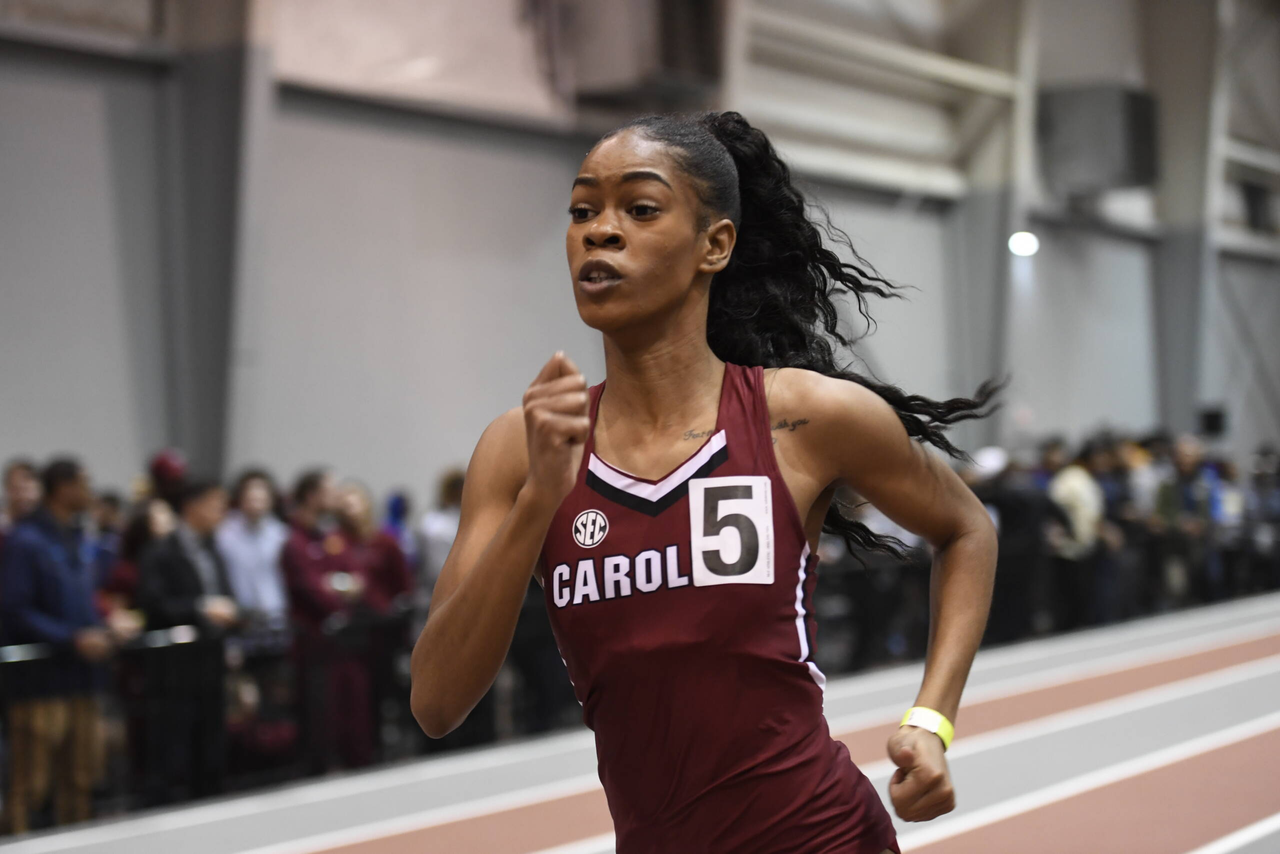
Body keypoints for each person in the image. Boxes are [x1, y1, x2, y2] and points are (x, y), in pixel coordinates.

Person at [410, 112, 998, 853]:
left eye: (640, 208)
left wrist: (932, 720)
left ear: (713, 245)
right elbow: (434, 702)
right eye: (583, 210)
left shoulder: (804, 417)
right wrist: (538, 504)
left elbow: (966, 527)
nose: (600, 231)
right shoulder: (519, 450)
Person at [0, 458, 113, 833]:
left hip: (81, 676)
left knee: (80, 777)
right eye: (83, 483)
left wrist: (102, 627)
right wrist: (71, 638)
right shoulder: (25, 540)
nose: (89, 490)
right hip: (40, 679)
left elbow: (84, 600)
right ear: (62, 488)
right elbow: (15, 609)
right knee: (31, 782)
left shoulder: (77, 536)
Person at [137, 479, 238, 804]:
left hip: (211, 656)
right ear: (192, 506)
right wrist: (199, 607)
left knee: (211, 740)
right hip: (175, 666)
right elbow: (153, 604)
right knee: (174, 742)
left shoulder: (214, 549)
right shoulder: (160, 551)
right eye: (215, 504)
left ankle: (211, 798)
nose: (221, 512)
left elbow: (225, 593)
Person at [282, 470, 372, 772]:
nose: (335, 495)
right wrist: (336, 590)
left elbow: (357, 579)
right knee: (322, 719)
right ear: (311, 496)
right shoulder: (294, 542)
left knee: (353, 711)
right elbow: (312, 590)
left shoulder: (331, 537)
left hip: (344, 643)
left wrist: (339, 586)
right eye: (329, 489)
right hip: (314, 647)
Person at [217, 470, 290, 633]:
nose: (255, 504)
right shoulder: (224, 532)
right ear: (241, 499)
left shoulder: (281, 535)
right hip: (238, 616)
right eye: (250, 498)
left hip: (275, 614)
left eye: (261, 499)